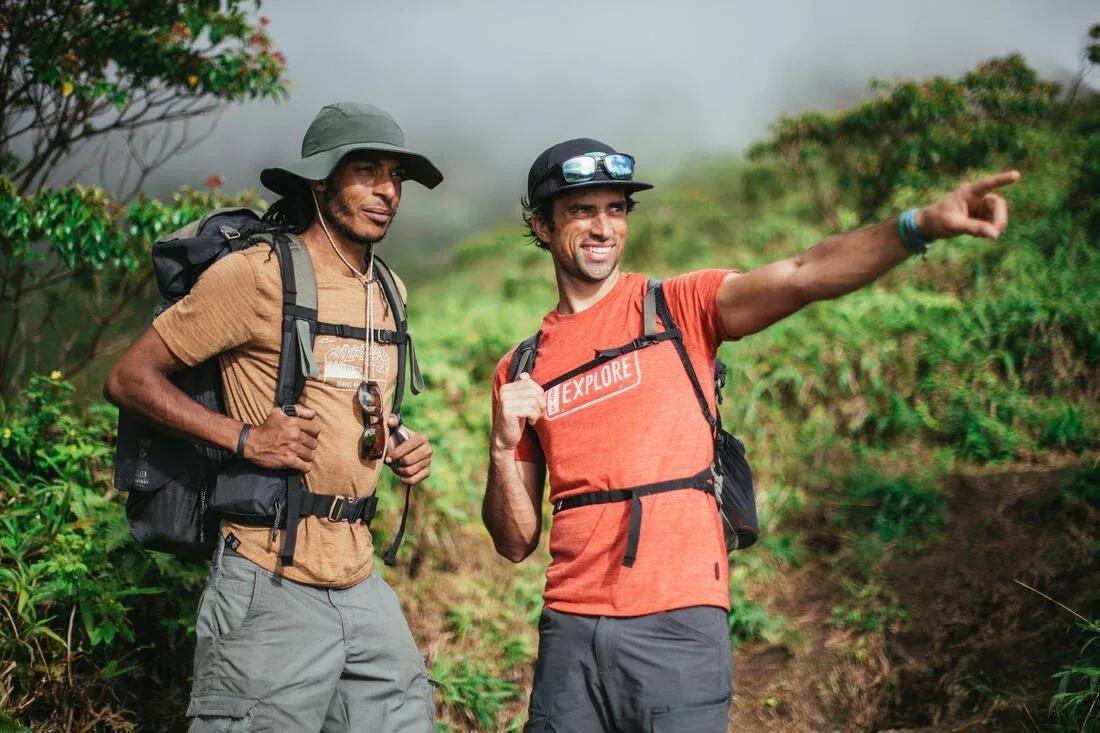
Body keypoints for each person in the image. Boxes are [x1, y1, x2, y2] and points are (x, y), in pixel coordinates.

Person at [482, 137, 1019, 732]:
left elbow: (803, 273)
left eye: (616, 209)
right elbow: (513, 541)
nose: (604, 227)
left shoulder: (677, 308)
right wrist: (502, 448)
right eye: (583, 210)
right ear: (541, 224)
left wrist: (918, 226)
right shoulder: (523, 366)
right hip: (570, 631)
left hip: (677, 623)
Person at [105, 102, 439, 731]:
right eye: (365, 172)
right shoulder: (256, 276)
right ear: (320, 182)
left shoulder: (388, 288)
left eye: (395, 176)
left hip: (361, 575)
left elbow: (348, 394)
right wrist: (244, 438)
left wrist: (395, 440)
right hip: (269, 574)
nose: (387, 191)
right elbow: (129, 377)